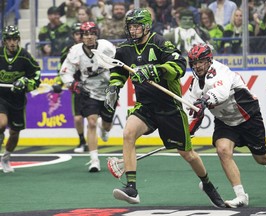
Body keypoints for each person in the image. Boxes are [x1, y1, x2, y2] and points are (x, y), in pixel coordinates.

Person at [105, 8, 225, 208]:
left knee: (187, 154)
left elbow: (179, 65)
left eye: (136, 26)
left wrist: (155, 70)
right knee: (128, 133)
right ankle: (132, 188)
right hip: (146, 105)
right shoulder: (125, 48)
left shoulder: (160, 43)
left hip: (170, 106)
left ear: (146, 26)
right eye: (130, 27)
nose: (132, 30)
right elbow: (118, 71)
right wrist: (113, 86)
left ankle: (207, 184)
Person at [187, 43, 266, 208]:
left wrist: (205, 100)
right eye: (194, 62)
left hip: (248, 117)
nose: (197, 66)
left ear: (209, 60)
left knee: (260, 158)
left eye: (201, 61)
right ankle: (241, 196)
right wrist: (187, 130)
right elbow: (192, 108)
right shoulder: (195, 84)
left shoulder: (221, 71)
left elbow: (221, 93)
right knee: (222, 150)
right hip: (225, 122)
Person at [60, 21, 116, 172]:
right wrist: (73, 84)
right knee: (91, 122)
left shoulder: (107, 47)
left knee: (107, 125)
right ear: (81, 37)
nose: (89, 37)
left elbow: (119, 64)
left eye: (92, 33)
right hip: (89, 91)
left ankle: (103, 128)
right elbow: (66, 71)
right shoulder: (75, 51)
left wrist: (116, 81)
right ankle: (94, 160)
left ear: (97, 35)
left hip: (109, 91)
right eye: (86, 34)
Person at [0, 25, 41, 173]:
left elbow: (36, 76)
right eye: (9, 39)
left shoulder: (25, 57)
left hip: (17, 100)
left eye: (15, 39)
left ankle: (5, 157)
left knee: (15, 133)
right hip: (1, 97)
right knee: (1, 124)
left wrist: (25, 83)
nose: (12, 42)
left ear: (18, 40)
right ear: (4, 41)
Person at [52, 22, 88, 153]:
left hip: (94, 87)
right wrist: (58, 83)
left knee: (95, 119)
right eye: (77, 33)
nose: (80, 36)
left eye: (82, 33)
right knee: (78, 118)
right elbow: (61, 70)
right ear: (73, 35)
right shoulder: (67, 51)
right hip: (77, 87)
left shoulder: (93, 47)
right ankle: (82, 141)